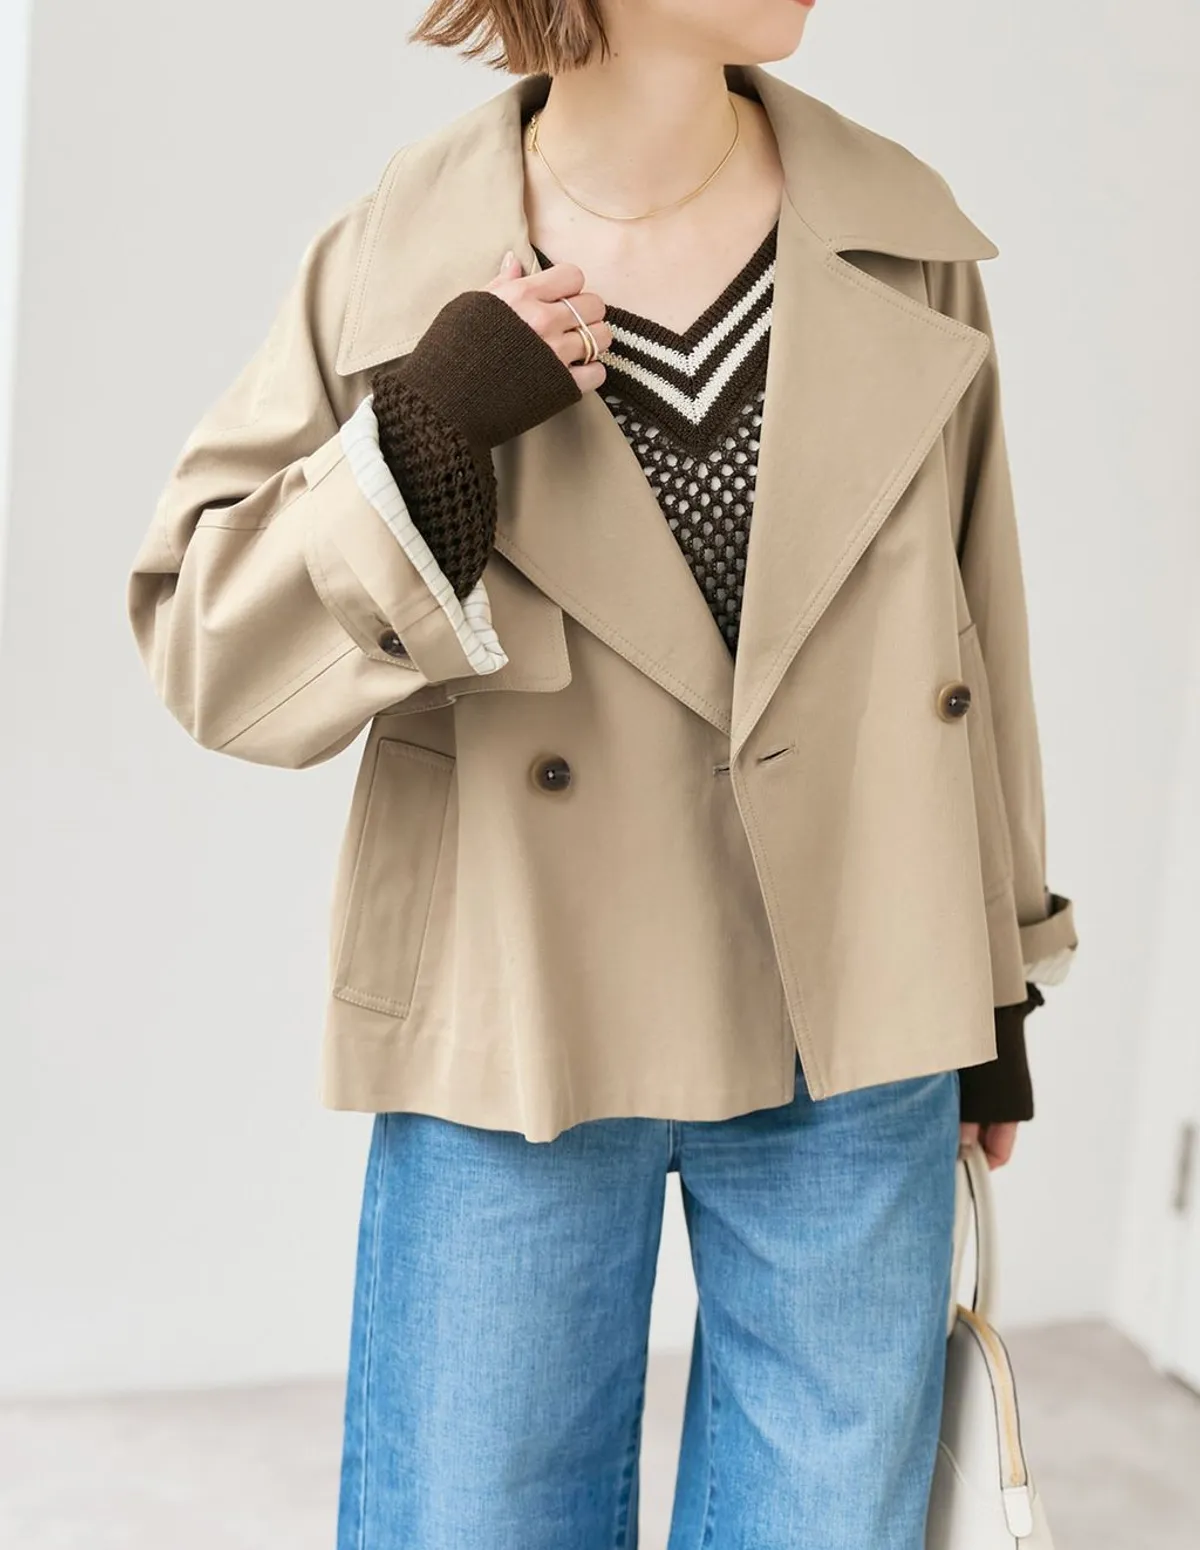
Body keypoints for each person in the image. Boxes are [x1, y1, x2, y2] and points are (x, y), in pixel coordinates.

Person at [127, 1, 1079, 1545]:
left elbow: (979, 625)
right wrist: (421, 435)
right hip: (521, 1003)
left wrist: (999, 980)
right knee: (476, 1515)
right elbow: (205, 641)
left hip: (859, 995)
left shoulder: (900, 237)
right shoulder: (397, 262)